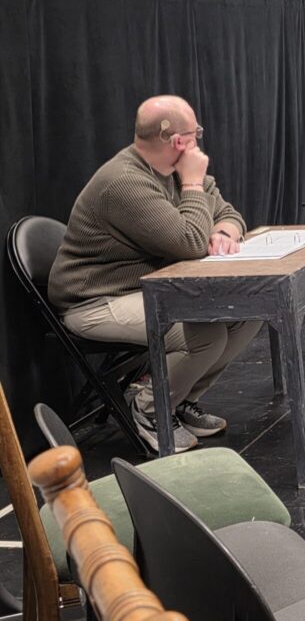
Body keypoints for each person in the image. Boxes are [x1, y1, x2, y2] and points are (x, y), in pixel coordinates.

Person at [48, 95, 262, 452]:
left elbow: (229, 213)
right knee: (204, 335)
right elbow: (190, 243)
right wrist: (192, 186)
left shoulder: (175, 170)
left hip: (146, 289)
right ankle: (149, 408)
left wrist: (224, 232)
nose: (198, 142)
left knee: (246, 312)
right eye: (195, 133)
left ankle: (180, 400)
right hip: (97, 301)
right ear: (177, 141)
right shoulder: (124, 182)